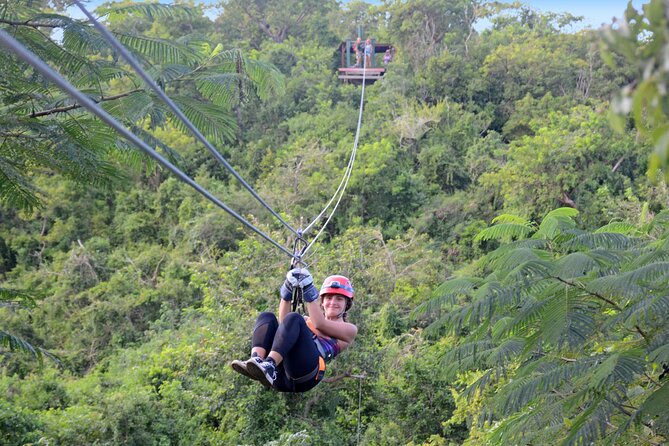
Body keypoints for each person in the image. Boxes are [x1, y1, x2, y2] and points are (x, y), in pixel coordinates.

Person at [230, 268, 358, 392]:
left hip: (305, 376)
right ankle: (257, 361)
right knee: (266, 316)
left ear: (347, 304)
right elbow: (284, 326)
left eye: (339, 299)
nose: (333, 302)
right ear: (323, 302)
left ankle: (269, 364)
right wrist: (286, 292)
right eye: (329, 298)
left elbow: (320, 324)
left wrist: (308, 289)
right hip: (280, 376)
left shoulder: (349, 330)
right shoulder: (306, 320)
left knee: (295, 318)